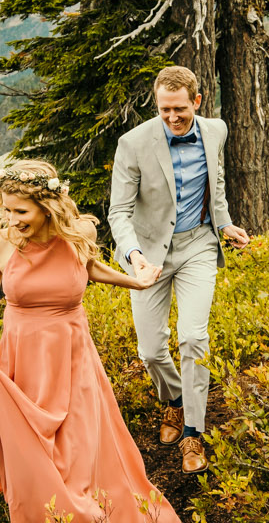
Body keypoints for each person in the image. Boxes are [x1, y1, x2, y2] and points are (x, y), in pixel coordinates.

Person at [0, 157, 184, 523]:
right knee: (34, 462)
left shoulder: (80, 233)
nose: (10, 218)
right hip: (23, 362)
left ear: (47, 206)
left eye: (19, 211)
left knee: (78, 456)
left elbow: (88, 268)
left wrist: (135, 280)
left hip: (73, 360)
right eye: (4, 209)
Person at [107, 65, 251, 475]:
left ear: (197, 102)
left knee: (193, 337)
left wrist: (223, 224)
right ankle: (173, 400)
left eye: (181, 110)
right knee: (151, 350)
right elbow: (118, 211)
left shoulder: (216, 130)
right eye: (165, 109)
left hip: (197, 246)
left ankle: (193, 430)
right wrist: (134, 256)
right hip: (148, 254)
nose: (173, 118)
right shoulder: (132, 144)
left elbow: (215, 183)